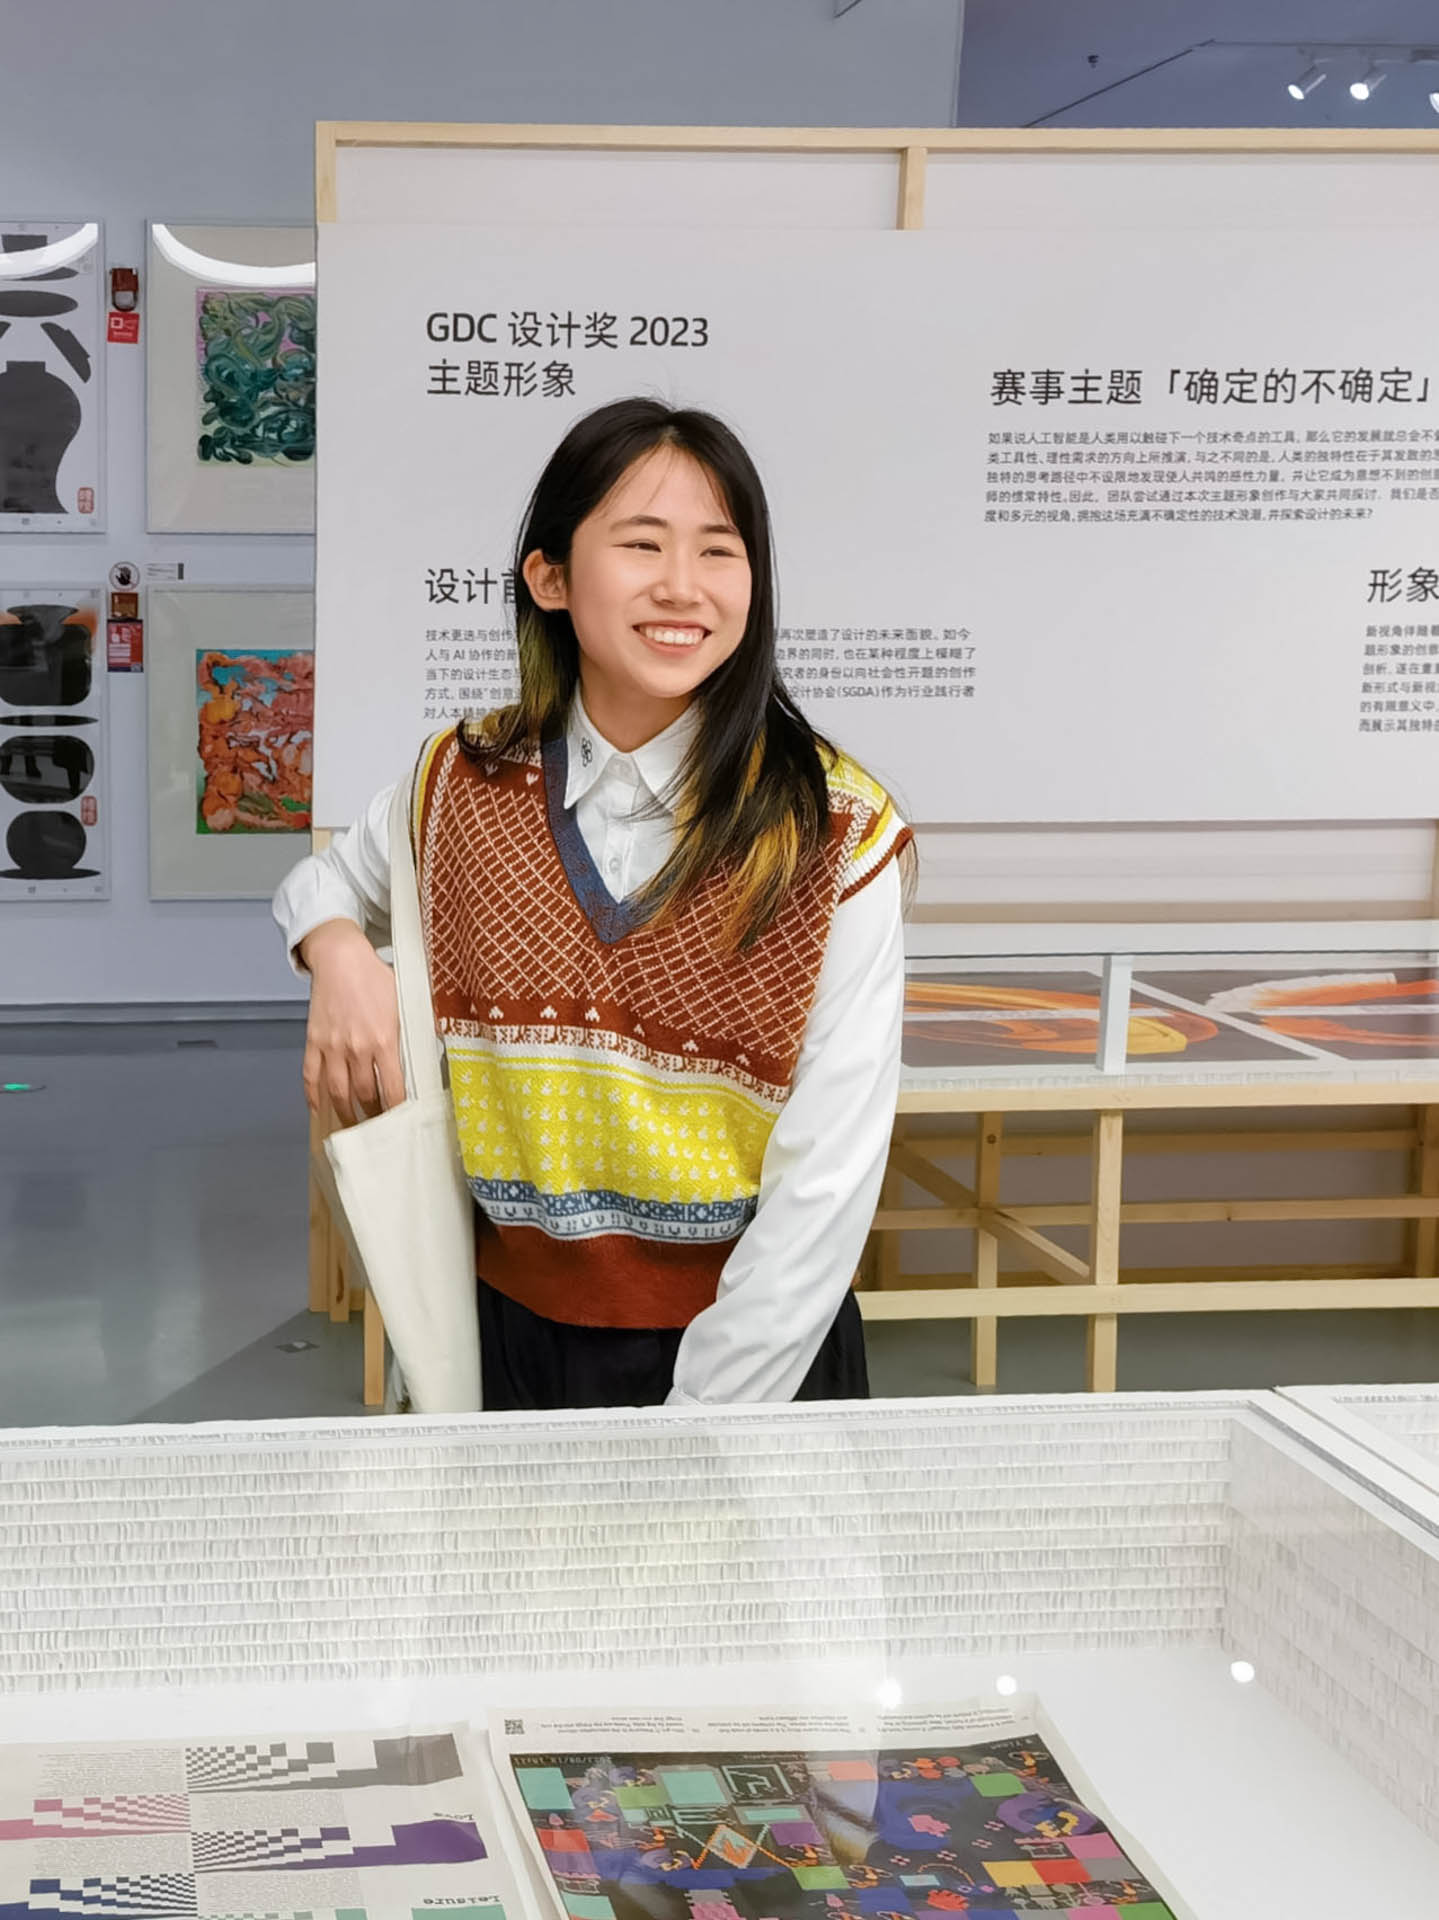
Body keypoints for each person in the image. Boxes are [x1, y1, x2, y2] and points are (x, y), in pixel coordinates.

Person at [274, 397, 912, 1411]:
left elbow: (823, 1190)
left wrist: (694, 1434)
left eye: (718, 551)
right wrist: (338, 951)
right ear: (551, 578)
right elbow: (324, 884)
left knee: (735, 1579)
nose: (682, 587)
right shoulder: (460, 781)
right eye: (641, 544)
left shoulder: (833, 830)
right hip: (504, 1342)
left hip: (755, 1356)